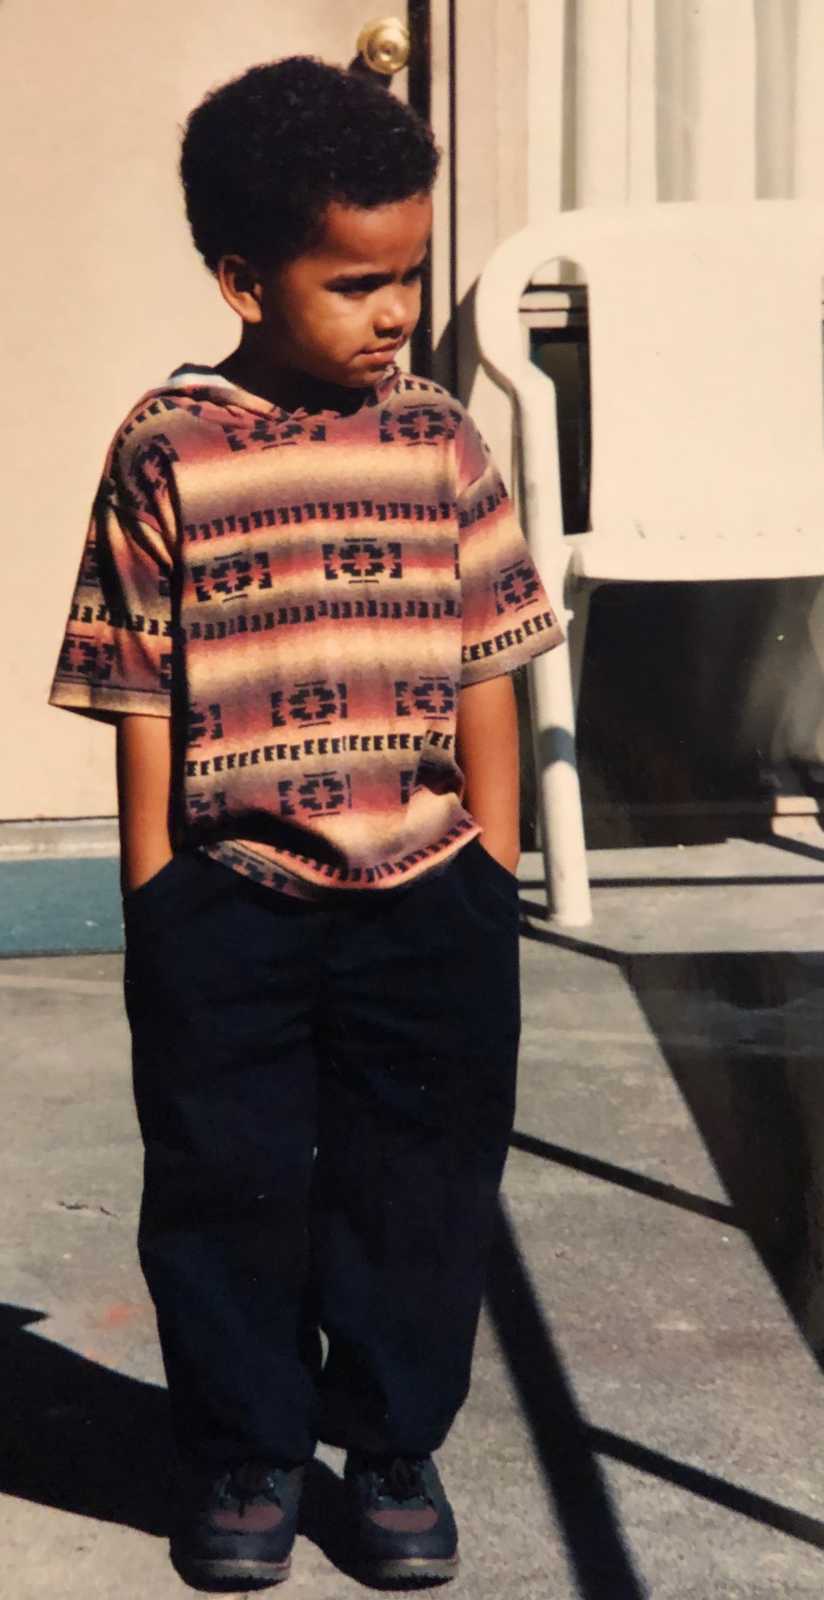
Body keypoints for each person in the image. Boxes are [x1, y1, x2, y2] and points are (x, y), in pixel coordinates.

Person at [49, 56, 563, 1590]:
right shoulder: (169, 449)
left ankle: (391, 1446)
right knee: (229, 1183)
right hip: (233, 894)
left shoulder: (441, 443)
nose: (395, 311)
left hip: (428, 891)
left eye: (407, 275)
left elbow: (489, 663)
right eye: (356, 282)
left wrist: (495, 861)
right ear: (243, 275)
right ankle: (249, 1451)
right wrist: (159, 892)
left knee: (421, 1182)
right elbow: (140, 687)